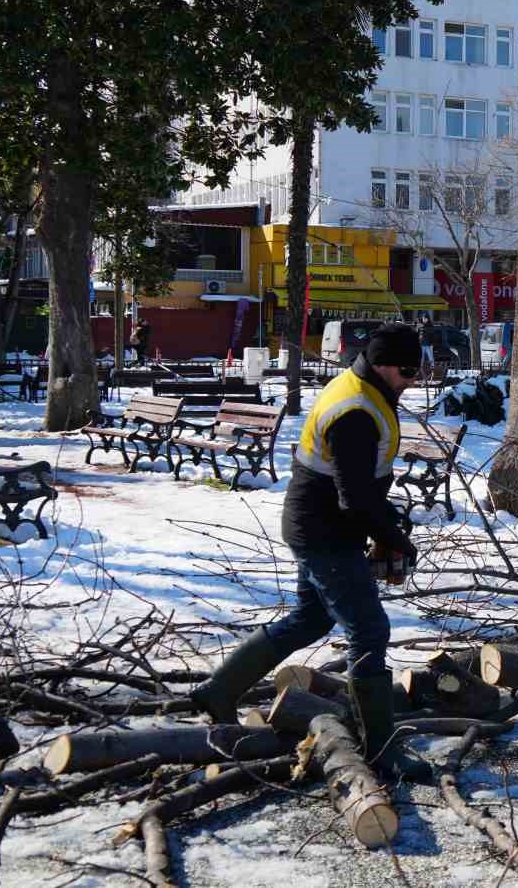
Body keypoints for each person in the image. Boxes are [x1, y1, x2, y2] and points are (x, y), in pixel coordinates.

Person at [190, 322, 427, 777]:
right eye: (409, 370)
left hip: (321, 523)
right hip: (324, 530)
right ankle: (381, 750)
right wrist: (393, 538)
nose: (414, 380)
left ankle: (218, 690)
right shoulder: (355, 409)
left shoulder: (367, 389)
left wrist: (385, 525)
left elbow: (361, 483)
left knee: (311, 617)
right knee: (370, 630)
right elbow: (353, 497)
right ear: (382, 364)